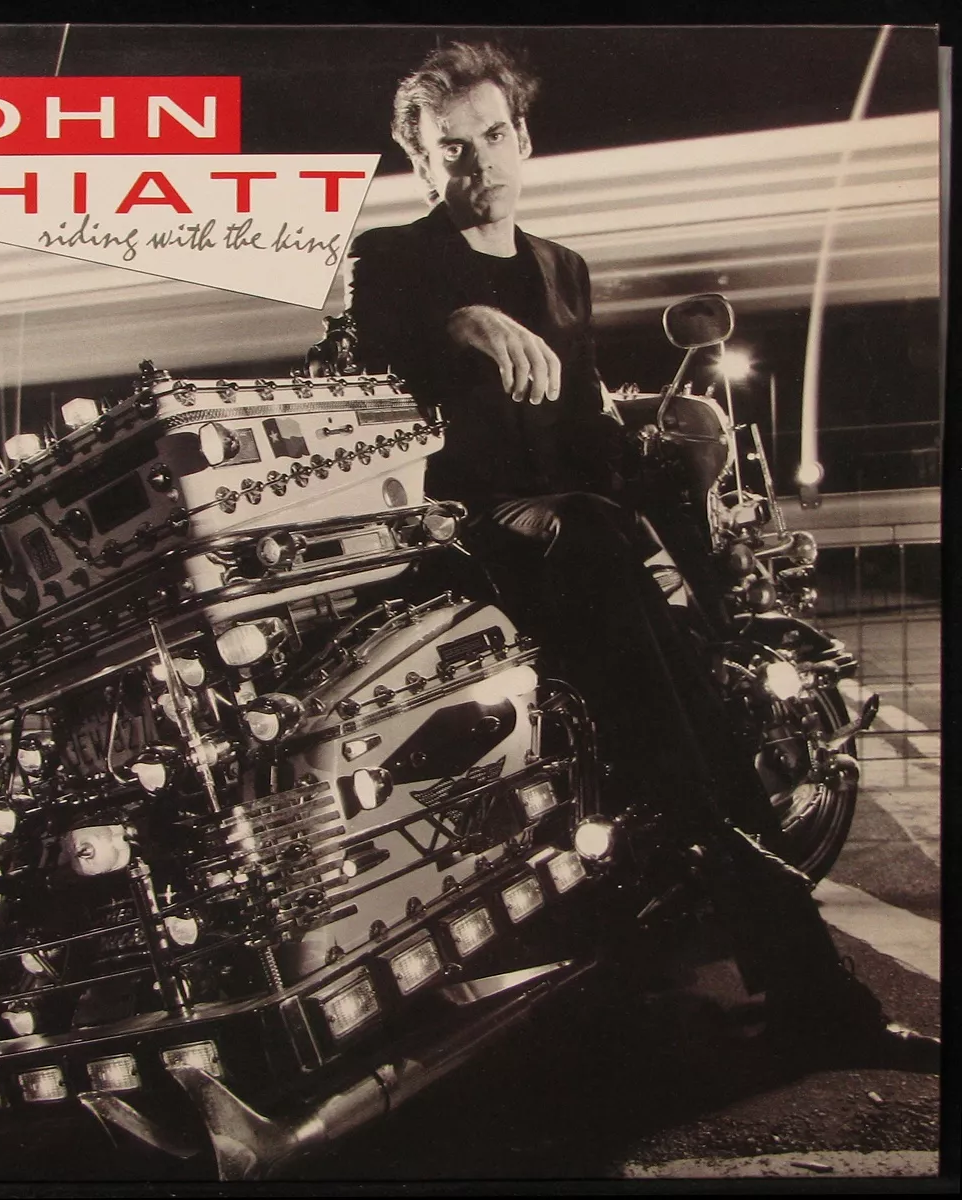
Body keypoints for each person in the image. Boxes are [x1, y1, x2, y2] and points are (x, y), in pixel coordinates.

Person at [345, 40, 938, 1070]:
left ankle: (770, 943)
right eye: (452, 148)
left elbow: (585, 426)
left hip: (587, 528)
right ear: (421, 163)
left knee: (695, 702)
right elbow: (377, 354)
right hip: (480, 533)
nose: (480, 162)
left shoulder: (562, 269)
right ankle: (800, 981)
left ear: (524, 138)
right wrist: (459, 323)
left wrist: (664, 466)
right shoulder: (394, 262)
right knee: (672, 707)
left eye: (494, 135)